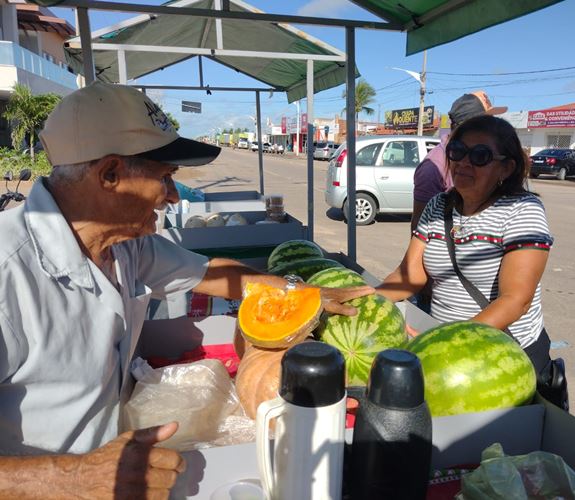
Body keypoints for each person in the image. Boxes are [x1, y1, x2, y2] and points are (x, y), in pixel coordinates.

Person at [0, 82, 373, 497]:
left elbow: (213, 273)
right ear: (109, 175)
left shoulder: (125, 245)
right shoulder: (7, 274)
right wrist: (74, 478)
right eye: (165, 178)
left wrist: (299, 292)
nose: (174, 197)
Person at [379, 115, 555, 384]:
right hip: (445, 352)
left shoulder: (522, 211)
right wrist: (363, 298)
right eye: (457, 151)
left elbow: (516, 300)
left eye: (480, 155)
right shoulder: (438, 206)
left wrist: (446, 342)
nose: (463, 162)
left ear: (506, 168)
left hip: (499, 353)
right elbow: (409, 276)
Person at [411, 91, 507, 232]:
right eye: (487, 121)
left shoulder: (489, 157)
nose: (493, 127)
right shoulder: (434, 168)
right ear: (467, 126)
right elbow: (419, 228)